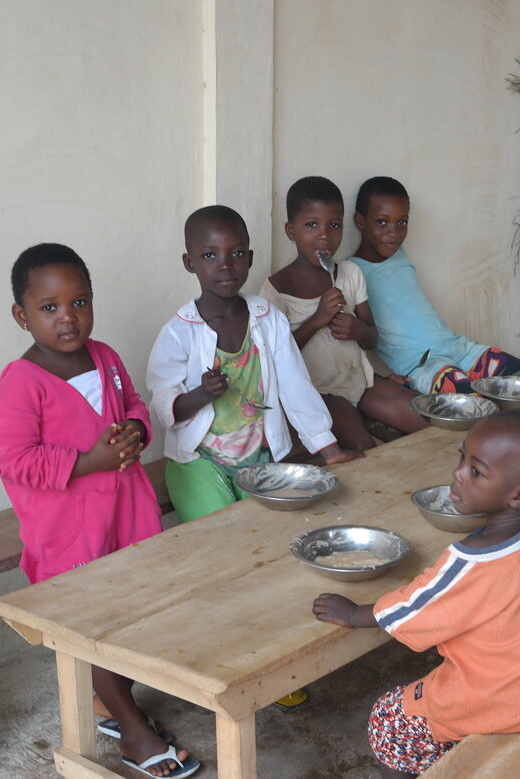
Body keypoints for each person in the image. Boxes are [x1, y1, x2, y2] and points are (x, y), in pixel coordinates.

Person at [0, 244, 198, 778]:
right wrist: (87, 461)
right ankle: (133, 730)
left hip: (123, 514)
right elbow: (13, 459)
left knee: (129, 614)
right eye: (50, 307)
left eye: (79, 302)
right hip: (68, 529)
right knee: (93, 624)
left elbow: (132, 405)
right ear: (22, 315)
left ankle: (110, 700)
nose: (68, 318)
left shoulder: (104, 357)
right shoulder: (21, 381)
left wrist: (136, 430)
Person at [146, 205, 362, 709]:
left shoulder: (266, 319)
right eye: (210, 255)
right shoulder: (178, 332)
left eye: (237, 253)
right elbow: (162, 404)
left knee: (274, 551)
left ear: (249, 257)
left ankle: (275, 663)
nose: (226, 264)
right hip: (198, 461)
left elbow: (294, 384)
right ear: (189, 263)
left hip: (260, 456)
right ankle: (229, 661)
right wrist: (198, 395)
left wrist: (327, 448)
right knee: (227, 554)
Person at [312, 409, 520, 778]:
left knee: (389, 721)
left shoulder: (470, 561)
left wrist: (352, 614)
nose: (458, 474)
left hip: (497, 701)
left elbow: (410, 609)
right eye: (462, 458)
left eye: (476, 471)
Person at [345, 176, 520, 394]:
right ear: (360, 221)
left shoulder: (399, 254)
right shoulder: (351, 272)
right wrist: (380, 377)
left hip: (461, 349)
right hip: (424, 366)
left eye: (402, 222)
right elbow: (358, 338)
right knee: (479, 407)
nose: (394, 232)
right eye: (382, 222)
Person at [261, 176, 428, 450]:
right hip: (319, 391)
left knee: (425, 421)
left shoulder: (350, 273)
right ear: (291, 231)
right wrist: (317, 319)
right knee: (364, 448)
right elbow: (273, 360)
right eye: (312, 225)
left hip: (362, 382)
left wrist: (358, 330)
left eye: (334, 225)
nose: (325, 235)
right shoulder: (276, 291)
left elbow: (371, 338)